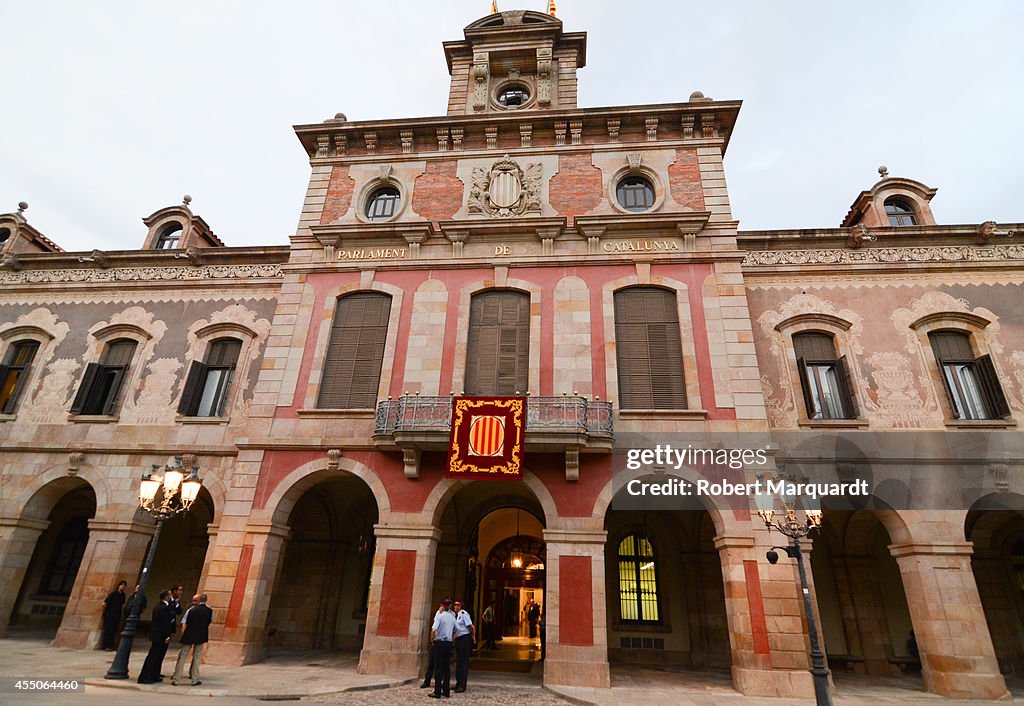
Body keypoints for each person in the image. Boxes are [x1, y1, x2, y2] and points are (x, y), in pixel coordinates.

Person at [172, 593, 213, 686]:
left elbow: (184, 622)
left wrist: (184, 633)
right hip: (201, 635)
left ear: (199, 601)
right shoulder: (209, 611)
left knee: (183, 656)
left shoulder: (191, 610)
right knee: (197, 657)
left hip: (189, 635)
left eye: (195, 600)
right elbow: (209, 621)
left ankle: (176, 678)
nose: (193, 602)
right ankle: (194, 679)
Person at [137, 590, 176, 684]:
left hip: (156, 635)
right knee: (154, 656)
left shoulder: (158, 606)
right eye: (170, 596)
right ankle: (145, 677)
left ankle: (153, 675)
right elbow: (165, 623)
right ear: (166, 597)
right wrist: (167, 636)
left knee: (156, 656)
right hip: (160, 636)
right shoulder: (164, 608)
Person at [428, 598, 456, 698]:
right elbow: (456, 630)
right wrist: (452, 639)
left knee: (438, 668)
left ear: (442, 606)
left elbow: (433, 630)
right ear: (450, 606)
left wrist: (432, 639)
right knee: (446, 668)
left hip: (439, 643)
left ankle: (437, 691)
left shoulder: (440, 616)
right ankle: (446, 691)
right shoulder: (453, 617)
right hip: (448, 644)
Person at [420, 598, 449, 689]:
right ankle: (427, 680)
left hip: (444, 641)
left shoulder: (451, 615)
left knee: (440, 664)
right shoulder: (438, 613)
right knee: (431, 662)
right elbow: (434, 627)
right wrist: (432, 639)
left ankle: (440, 682)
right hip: (437, 640)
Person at [452, 600, 475, 693]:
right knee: (459, 662)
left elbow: (471, 626)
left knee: (463, 663)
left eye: (457, 605)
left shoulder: (463, 614)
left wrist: (473, 637)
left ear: (461, 606)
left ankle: (462, 685)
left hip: (465, 639)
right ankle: (458, 683)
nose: (455, 607)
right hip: (459, 640)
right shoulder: (456, 616)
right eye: (455, 605)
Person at [100, 580, 127, 650]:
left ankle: (111, 644)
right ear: (118, 586)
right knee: (108, 630)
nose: (123, 586)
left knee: (114, 630)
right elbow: (105, 603)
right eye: (122, 585)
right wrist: (107, 612)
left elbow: (122, 604)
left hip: (117, 614)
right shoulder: (113, 594)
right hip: (110, 614)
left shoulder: (123, 595)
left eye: (124, 585)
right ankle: (106, 645)